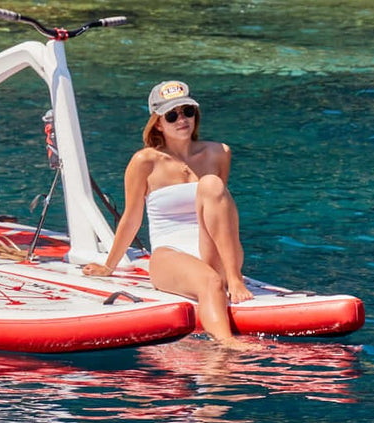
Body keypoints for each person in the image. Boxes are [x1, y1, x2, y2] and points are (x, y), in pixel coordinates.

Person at [83, 80, 252, 344]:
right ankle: (226, 346)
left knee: (212, 185)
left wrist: (235, 276)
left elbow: (222, 214)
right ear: (158, 123)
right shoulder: (145, 161)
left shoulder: (219, 152)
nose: (182, 119)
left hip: (214, 250)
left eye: (188, 111)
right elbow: (132, 217)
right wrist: (109, 265)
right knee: (210, 283)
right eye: (172, 115)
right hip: (170, 254)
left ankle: (233, 277)